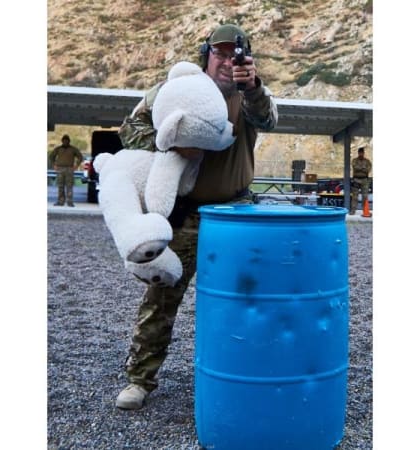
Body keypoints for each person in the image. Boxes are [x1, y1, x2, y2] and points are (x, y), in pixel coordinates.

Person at [114, 23, 278, 410]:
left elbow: (268, 119)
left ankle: (239, 375)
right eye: (219, 53)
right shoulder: (177, 88)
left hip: (234, 215)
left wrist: (253, 87)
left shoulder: (252, 94)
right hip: (184, 214)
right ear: (207, 55)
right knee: (161, 298)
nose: (227, 61)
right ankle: (140, 379)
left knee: (242, 298)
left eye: (235, 54)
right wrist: (171, 143)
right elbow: (130, 128)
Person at [49, 134, 84, 207]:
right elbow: (51, 157)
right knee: (60, 186)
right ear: (62, 141)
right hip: (60, 169)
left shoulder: (73, 149)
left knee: (69, 186)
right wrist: (54, 165)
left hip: (69, 169)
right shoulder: (58, 149)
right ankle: (60, 201)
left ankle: (70, 202)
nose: (65, 142)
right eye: (64, 140)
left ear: (69, 141)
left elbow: (80, 157)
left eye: (67, 140)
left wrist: (76, 165)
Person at [350, 147, 372, 215]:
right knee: (355, 196)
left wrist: (360, 168)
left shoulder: (367, 161)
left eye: (362, 152)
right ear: (358, 153)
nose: (361, 154)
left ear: (363, 153)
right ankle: (353, 210)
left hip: (364, 180)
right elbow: (355, 167)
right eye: (360, 152)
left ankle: (365, 211)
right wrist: (363, 168)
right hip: (356, 179)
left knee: (365, 196)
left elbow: (368, 170)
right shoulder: (354, 160)